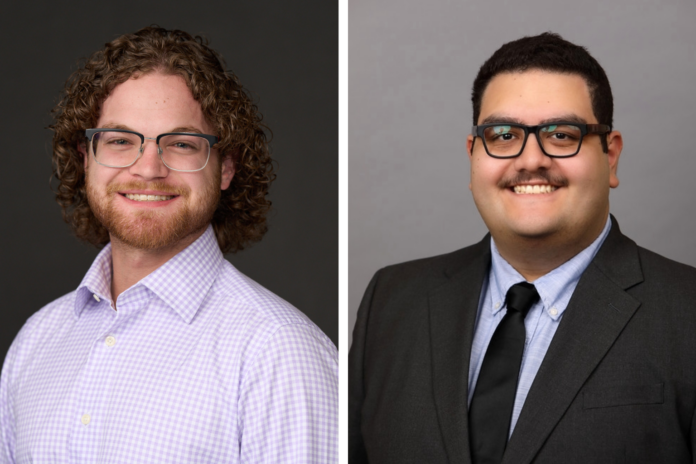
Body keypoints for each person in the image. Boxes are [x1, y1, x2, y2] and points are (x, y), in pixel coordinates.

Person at [349, 32, 696, 463]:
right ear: (473, 156)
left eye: (563, 135)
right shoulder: (392, 301)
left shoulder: (687, 313)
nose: (531, 159)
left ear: (611, 156)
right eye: (504, 134)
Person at [0, 26, 337, 463]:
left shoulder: (278, 352)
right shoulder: (37, 341)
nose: (148, 169)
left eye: (181, 144)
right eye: (121, 141)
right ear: (86, 161)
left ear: (226, 168)